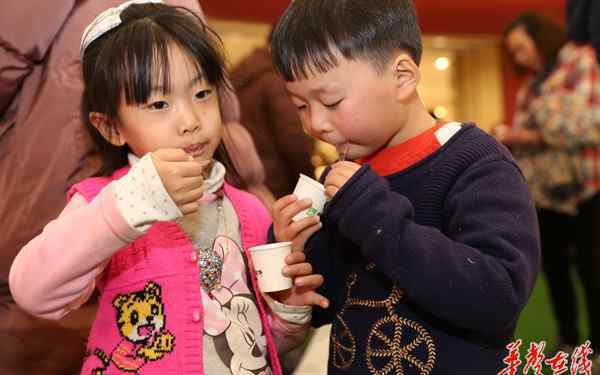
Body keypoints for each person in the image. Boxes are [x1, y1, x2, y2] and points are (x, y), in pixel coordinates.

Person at [8, 2, 328, 374]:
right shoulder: (106, 204)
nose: (190, 120)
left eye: (202, 94)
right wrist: (129, 205)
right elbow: (34, 292)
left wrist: (287, 309)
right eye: (159, 103)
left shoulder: (250, 211)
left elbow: (259, 342)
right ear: (111, 127)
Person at [268, 0, 540, 373]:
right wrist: (297, 257)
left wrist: (375, 216)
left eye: (331, 101)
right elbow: (333, 298)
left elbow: (499, 295)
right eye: (300, 106)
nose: (314, 123)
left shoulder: (476, 164)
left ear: (402, 77)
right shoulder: (343, 175)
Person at [498, 12, 600, 362]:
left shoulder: (580, 60)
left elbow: (590, 124)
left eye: (521, 47)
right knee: (554, 270)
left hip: (587, 186)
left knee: (592, 270)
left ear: (539, 38)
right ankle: (570, 337)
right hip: (544, 192)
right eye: (513, 51)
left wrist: (525, 135)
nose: (519, 57)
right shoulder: (533, 82)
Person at [231, 39, 315, 199]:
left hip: (248, 176)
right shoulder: (274, 80)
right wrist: (310, 179)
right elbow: (292, 136)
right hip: (278, 181)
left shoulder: (244, 73)